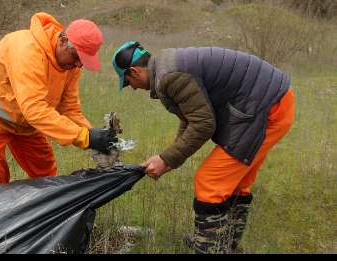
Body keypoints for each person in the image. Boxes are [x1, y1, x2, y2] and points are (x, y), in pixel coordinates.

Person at [111, 42, 295, 254]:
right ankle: (224, 245)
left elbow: (204, 125)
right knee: (235, 183)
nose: (132, 88)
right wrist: (169, 159)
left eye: (128, 82)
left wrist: (166, 159)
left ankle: (211, 248)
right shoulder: (166, 65)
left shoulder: (169, 76)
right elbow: (192, 116)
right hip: (273, 100)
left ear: (134, 71)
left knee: (210, 182)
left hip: (265, 109)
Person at [0, 12, 116, 198]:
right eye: (76, 57)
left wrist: (93, 136)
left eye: (82, 62)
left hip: (25, 121)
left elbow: (69, 109)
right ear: (63, 42)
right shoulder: (28, 51)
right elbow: (35, 110)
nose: (78, 65)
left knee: (46, 174)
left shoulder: (70, 66)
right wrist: (83, 137)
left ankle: (45, 221)